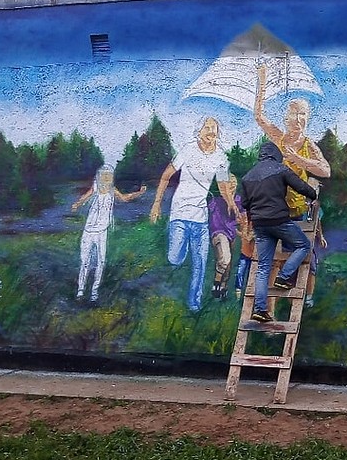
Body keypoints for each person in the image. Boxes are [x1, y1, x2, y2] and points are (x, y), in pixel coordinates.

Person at [149, 117, 237, 313]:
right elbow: (166, 175)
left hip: (200, 218)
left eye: (214, 129)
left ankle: (194, 303)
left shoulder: (221, 158)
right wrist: (156, 204)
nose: (211, 132)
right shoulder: (188, 149)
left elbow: (223, 186)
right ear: (199, 131)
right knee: (174, 258)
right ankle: (180, 256)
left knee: (200, 263)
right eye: (207, 128)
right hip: (179, 214)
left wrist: (232, 203)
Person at [240, 141, 318, 325]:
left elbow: (244, 204)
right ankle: (283, 277)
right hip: (278, 220)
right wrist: (313, 194)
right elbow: (300, 186)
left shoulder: (247, 176)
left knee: (263, 267)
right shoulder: (280, 169)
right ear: (276, 154)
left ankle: (260, 310)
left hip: (260, 224)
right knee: (303, 245)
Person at [253, 63, 330, 218]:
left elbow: (326, 171)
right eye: (295, 113)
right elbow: (259, 116)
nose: (299, 119)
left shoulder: (309, 145)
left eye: (303, 114)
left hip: (297, 210)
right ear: (286, 119)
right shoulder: (278, 137)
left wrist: (297, 159)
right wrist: (262, 82)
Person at [71, 165, 145, 302]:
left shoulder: (112, 190)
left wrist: (139, 193)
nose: (106, 177)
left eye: (109, 175)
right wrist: (77, 204)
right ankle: (81, 290)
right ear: (99, 176)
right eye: (104, 175)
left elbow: (124, 198)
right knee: (85, 261)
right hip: (89, 231)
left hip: (102, 232)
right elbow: (85, 197)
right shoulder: (95, 187)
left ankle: (94, 292)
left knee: (101, 261)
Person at [207, 184, 241, 301]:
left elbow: (243, 218)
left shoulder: (239, 200)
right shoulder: (215, 201)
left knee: (228, 262)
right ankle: (216, 284)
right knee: (225, 258)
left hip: (232, 234)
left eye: (233, 185)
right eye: (228, 185)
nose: (230, 188)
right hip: (219, 233)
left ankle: (223, 288)